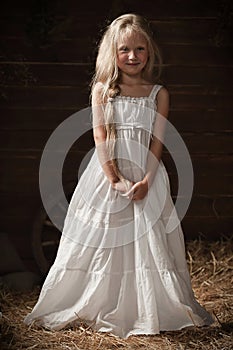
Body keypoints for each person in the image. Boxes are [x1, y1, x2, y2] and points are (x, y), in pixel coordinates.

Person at [24, 13, 214, 338]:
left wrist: (146, 181)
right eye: (124, 49)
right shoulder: (103, 91)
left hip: (147, 177)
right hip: (107, 177)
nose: (132, 56)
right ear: (112, 53)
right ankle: (99, 300)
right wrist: (115, 180)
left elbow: (157, 143)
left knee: (148, 239)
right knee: (103, 238)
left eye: (140, 49)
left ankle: (147, 308)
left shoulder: (158, 94)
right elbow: (100, 138)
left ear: (149, 53)